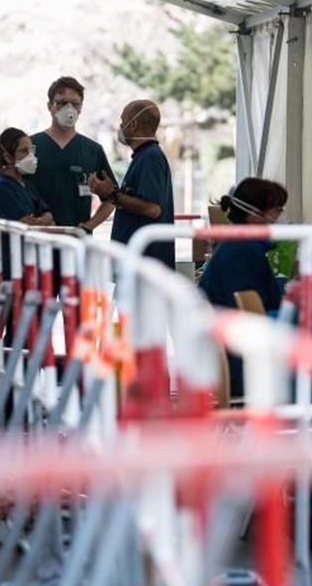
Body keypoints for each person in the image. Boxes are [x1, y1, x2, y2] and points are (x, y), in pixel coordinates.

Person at [197, 178, 288, 399]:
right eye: (276, 213)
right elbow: (250, 315)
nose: (277, 220)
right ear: (254, 215)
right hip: (242, 366)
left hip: (233, 360)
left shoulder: (237, 249)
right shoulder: (240, 254)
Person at [89, 100, 175, 268]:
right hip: (135, 262)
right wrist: (108, 192)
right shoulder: (142, 157)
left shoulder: (151, 157)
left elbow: (153, 209)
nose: (120, 127)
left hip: (146, 263)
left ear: (133, 123)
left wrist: (112, 195)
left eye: (123, 122)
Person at [28, 76, 117, 232]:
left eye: (75, 104)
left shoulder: (93, 150)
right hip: (37, 241)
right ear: (50, 106)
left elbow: (112, 198)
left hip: (77, 243)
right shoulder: (29, 146)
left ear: (81, 108)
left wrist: (88, 227)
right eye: (62, 103)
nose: (69, 109)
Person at [0, 128, 53, 281]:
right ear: (8, 157)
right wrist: (41, 221)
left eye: (31, 150)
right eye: (23, 151)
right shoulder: (2, 188)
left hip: (29, 265)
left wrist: (40, 221)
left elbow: (49, 216)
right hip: (11, 269)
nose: (30, 156)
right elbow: (23, 225)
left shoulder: (27, 185)